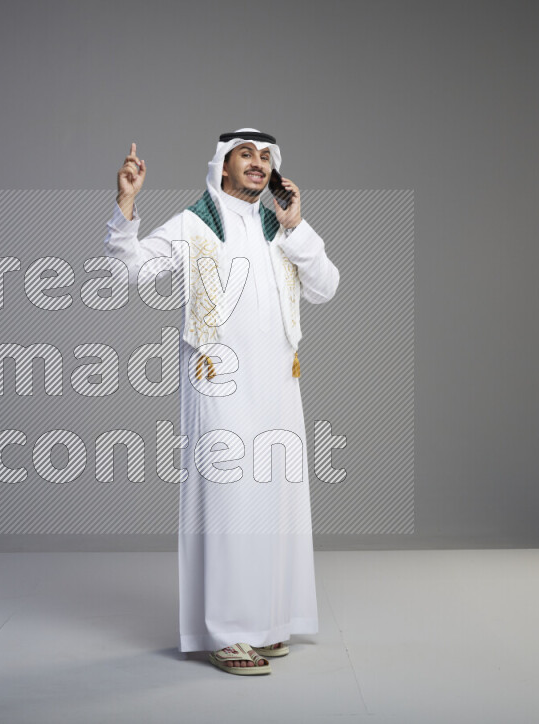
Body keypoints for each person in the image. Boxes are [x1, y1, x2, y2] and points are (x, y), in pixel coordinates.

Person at [103, 129, 340, 675]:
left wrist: (297, 225)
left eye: (265, 158)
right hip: (219, 382)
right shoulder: (194, 224)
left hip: (279, 382)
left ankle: (268, 623)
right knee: (230, 503)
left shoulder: (281, 227)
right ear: (222, 166)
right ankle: (228, 633)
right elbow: (129, 271)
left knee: (276, 500)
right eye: (245, 156)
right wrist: (127, 204)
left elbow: (326, 286)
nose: (257, 164)